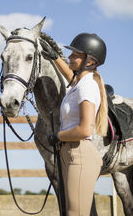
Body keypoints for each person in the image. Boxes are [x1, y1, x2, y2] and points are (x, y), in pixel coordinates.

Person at [41, 33, 108, 216]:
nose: (69, 56)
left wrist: (57, 136)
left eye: (75, 55)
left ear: (89, 61)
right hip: (69, 153)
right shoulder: (81, 83)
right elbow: (71, 76)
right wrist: (55, 57)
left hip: (78, 153)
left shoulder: (87, 86)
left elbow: (85, 129)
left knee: (75, 213)